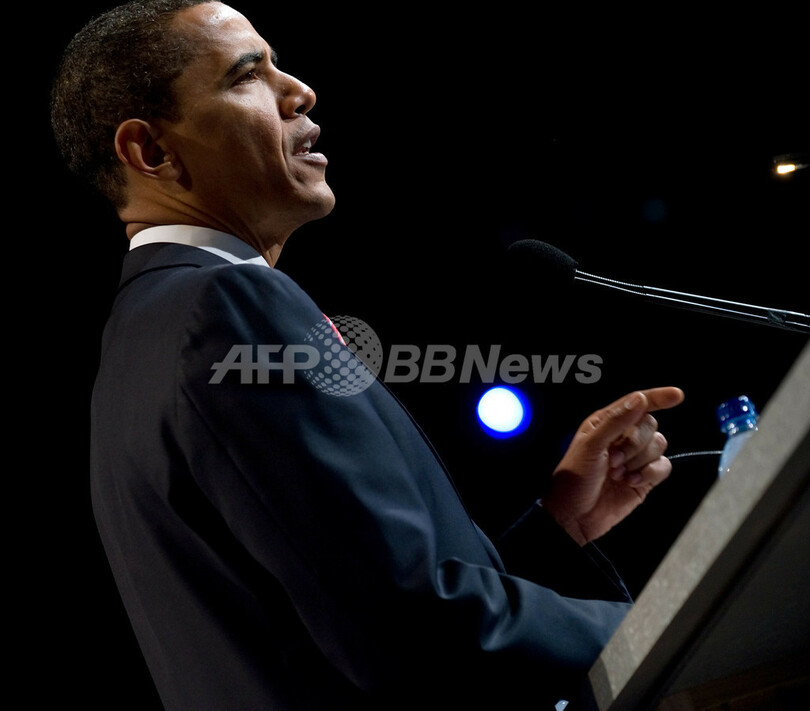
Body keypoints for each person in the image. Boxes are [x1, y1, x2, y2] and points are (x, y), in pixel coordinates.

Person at [51, 1, 684, 708]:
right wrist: (675, 620)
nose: (300, 92)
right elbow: (409, 633)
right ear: (151, 152)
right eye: (247, 76)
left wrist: (557, 526)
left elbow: (340, 600)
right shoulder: (227, 306)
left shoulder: (142, 337)